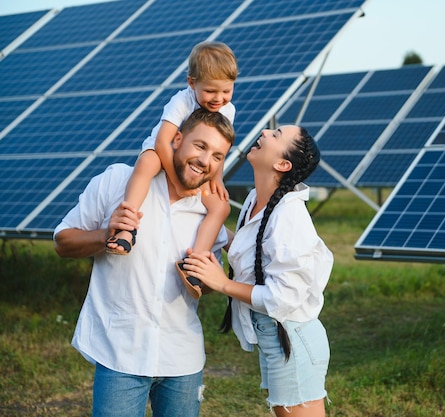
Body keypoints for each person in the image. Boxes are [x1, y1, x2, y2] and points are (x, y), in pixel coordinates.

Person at [53, 109, 235, 417]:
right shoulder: (119, 182)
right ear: (177, 139)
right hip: (120, 354)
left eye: (218, 156)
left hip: (183, 361)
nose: (206, 161)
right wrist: (104, 236)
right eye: (200, 146)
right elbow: (63, 242)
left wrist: (211, 280)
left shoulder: (211, 213)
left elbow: (206, 286)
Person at [180, 125, 333, 417]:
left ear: (282, 164)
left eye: (276, 134)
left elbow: (284, 297)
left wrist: (222, 283)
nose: (264, 132)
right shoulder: (255, 200)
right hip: (276, 334)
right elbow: (257, 254)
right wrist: (217, 229)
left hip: (293, 337)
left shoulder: (289, 216)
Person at [106, 41, 237, 273]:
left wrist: (217, 178)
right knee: (146, 163)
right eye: (210, 91)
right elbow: (162, 142)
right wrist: (177, 181)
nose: (219, 98)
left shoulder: (228, 110)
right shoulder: (181, 101)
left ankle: (195, 261)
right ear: (191, 83)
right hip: (164, 152)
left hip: (196, 163)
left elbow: (220, 149)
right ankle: (127, 229)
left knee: (220, 207)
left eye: (226, 91)